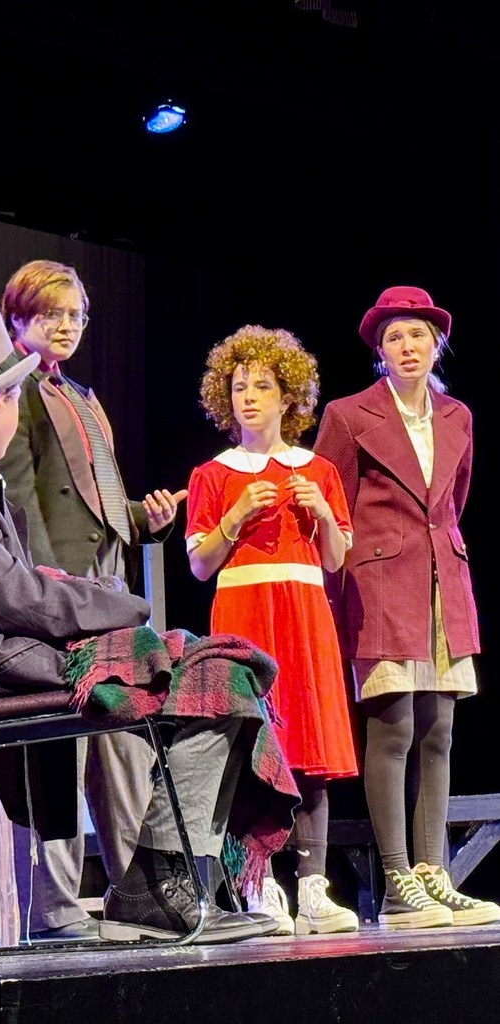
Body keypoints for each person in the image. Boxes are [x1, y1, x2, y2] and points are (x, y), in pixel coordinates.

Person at [0, 293, 301, 944]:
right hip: (2, 664)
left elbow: (14, 589)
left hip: (17, 648)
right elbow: (11, 598)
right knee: (219, 681)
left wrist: (103, 601)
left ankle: (164, 883)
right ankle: (156, 888)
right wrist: (121, 605)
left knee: (225, 671)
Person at [0, 258, 184, 941]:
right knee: (61, 746)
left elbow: (95, 506)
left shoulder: (78, 394)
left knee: (124, 737)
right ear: (17, 316)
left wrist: (144, 519)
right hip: (60, 596)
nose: (67, 326)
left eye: (76, 315)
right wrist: (51, 588)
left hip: (107, 586)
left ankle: (139, 891)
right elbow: (22, 501)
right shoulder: (11, 390)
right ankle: (52, 905)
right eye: (51, 314)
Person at [314, 285, 500, 929]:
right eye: (394, 337)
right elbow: (330, 505)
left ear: (436, 342)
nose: (407, 346)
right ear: (380, 352)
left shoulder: (457, 416)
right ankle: (397, 880)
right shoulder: (348, 415)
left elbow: (453, 501)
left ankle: (432, 874)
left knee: (439, 730)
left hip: (443, 580)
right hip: (380, 584)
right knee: (393, 728)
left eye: (417, 334)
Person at [185, 324, 359, 936]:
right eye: (239, 388)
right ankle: (257, 886)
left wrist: (323, 514)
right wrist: (234, 517)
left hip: (305, 615)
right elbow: (200, 564)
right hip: (245, 616)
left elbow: (336, 558)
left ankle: (313, 887)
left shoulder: (319, 471)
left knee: (308, 745)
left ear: (288, 397)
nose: (249, 398)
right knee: (251, 745)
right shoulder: (213, 474)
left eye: (262, 386)